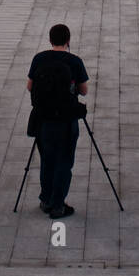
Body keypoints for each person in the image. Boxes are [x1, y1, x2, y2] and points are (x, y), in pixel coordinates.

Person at [26, 24, 89, 220]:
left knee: (47, 159)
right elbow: (84, 90)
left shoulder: (39, 59)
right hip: (66, 119)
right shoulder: (75, 61)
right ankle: (58, 204)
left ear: (50, 40)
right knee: (64, 161)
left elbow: (30, 86)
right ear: (68, 40)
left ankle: (45, 199)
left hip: (44, 119)